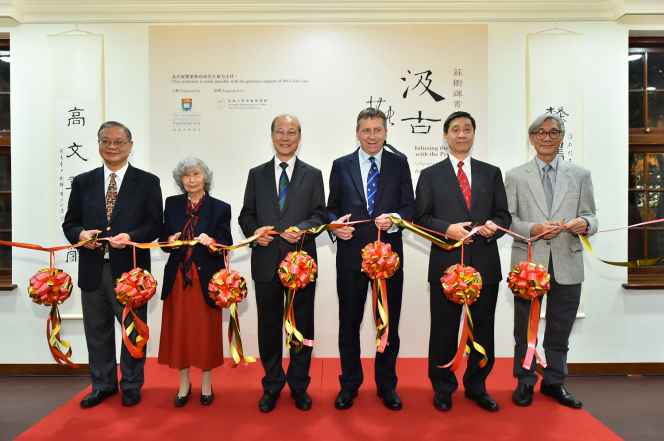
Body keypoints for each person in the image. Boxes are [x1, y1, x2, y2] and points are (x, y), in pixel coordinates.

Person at [414, 111, 511, 412]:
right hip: (446, 264)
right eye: (455, 129)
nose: (461, 134)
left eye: (467, 129)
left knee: (482, 328)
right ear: (445, 136)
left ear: (473, 134)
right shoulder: (430, 174)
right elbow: (420, 219)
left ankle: (477, 386)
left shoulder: (491, 172)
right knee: (443, 330)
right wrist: (447, 229)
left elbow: (503, 214)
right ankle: (443, 387)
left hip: (484, 263)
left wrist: (494, 227)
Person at [62, 121, 163, 407]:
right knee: (97, 332)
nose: (112, 146)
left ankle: (131, 384)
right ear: (98, 145)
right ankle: (103, 384)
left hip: (131, 273)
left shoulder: (147, 182)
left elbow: (155, 224)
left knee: (133, 330)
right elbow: (70, 223)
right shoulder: (83, 181)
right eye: (106, 141)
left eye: (119, 142)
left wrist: (131, 237)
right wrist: (80, 236)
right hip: (93, 270)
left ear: (130, 146)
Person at [505, 113, 597, 408]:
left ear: (561, 137)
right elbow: (508, 219)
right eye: (540, 133)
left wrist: (585, 223)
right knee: (525, 330)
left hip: (567, 264)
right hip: (529, 265)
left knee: (560, 329)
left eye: (553, 132)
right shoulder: (516, 176)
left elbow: (591, 216)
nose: (547, 137)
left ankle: (555, 381)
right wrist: (532, 229)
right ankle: (525, 381)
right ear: (531, 138)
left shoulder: (580, 175)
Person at [327, 107, 416, 411]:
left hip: (388, 259)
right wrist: (336, 226)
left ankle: (386, 385)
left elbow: (410, 208)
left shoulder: (399, 164)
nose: (372, 136)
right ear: (357, 133)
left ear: (386, 132)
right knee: (349, 324)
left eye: (378, 130)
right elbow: (331, 209)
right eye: (366, 130)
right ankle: (349, 384)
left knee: (387, 325)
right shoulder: (341, 165)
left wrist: (395, 219)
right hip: (351, 257)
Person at [238, 114, 326, 413]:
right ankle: (272, 384)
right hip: (265, 261)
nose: (285, 137)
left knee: (302, 326)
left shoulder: (313, 175)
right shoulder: (256, 174)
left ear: (299, 137)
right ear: (272, 135)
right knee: (270, 327)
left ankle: (299, 385)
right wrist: (254, 232)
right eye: (280, 132)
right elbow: (246, 215)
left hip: (300, 262)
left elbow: (320, 215)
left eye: (292, 132)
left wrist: (302, 227)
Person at [158, 157, 232, 407]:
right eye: (186, 176)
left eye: (196, 175)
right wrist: (170, 238)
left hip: (205, 278)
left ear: (205, 178)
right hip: (178, 277)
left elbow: (226, 242)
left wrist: (212, 241)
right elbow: (162, 241)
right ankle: (184, 385)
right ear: (181, 180)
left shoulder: (221, 207)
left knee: (206, 333)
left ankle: (207, 385)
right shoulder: (172, 204)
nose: (191, 180)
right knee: (180, 332)